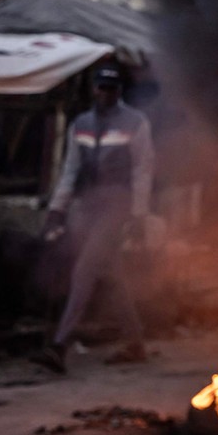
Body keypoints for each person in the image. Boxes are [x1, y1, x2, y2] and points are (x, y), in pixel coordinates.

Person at [32, 67, 155, 373]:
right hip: (90, 204)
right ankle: (136, 342)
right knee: (113, 276)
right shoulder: (81, 125)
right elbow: (70, 170)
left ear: (119, 91)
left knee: (84, 270)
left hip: (117, 204)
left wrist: (139, 216)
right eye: (101, 88)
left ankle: (59, 345)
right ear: (94, 89)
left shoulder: (135, 123)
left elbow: (143, 170)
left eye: (111, 89)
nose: (105, 94)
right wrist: (57, 211)